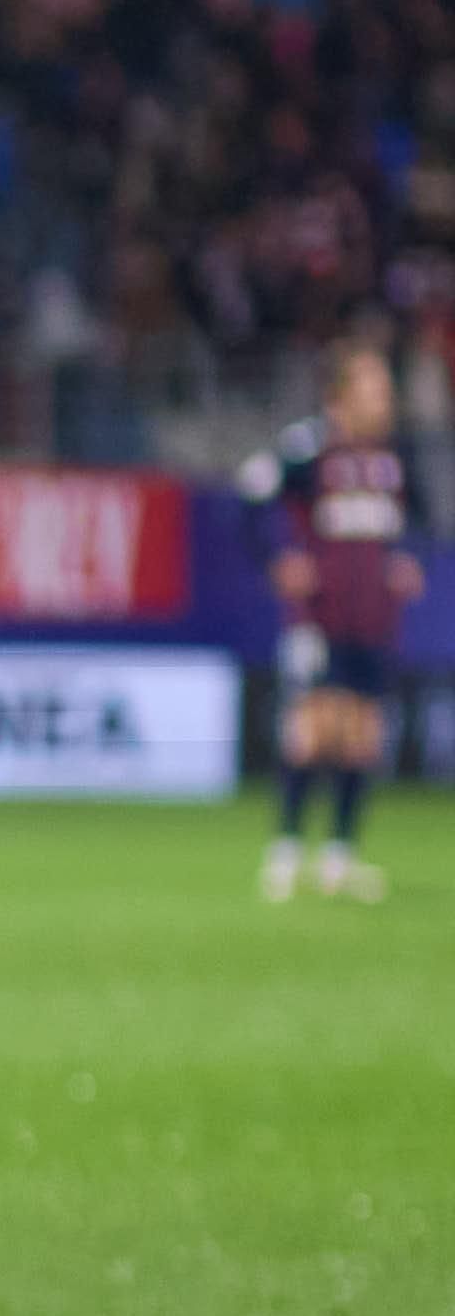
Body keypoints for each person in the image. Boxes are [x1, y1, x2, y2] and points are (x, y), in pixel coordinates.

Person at [254, 341, 419, 901]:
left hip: (373, 620)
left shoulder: (392, 462)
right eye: (374, 387)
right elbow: (252, 500)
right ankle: (285, 850)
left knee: (362, 738)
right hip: (319, 619)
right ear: (343, 394)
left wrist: (400, 566)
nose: (385, 398)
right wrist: (279, 558)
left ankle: (339, 858)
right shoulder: (309, 450)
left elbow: (399, 532)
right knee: (315, 730)